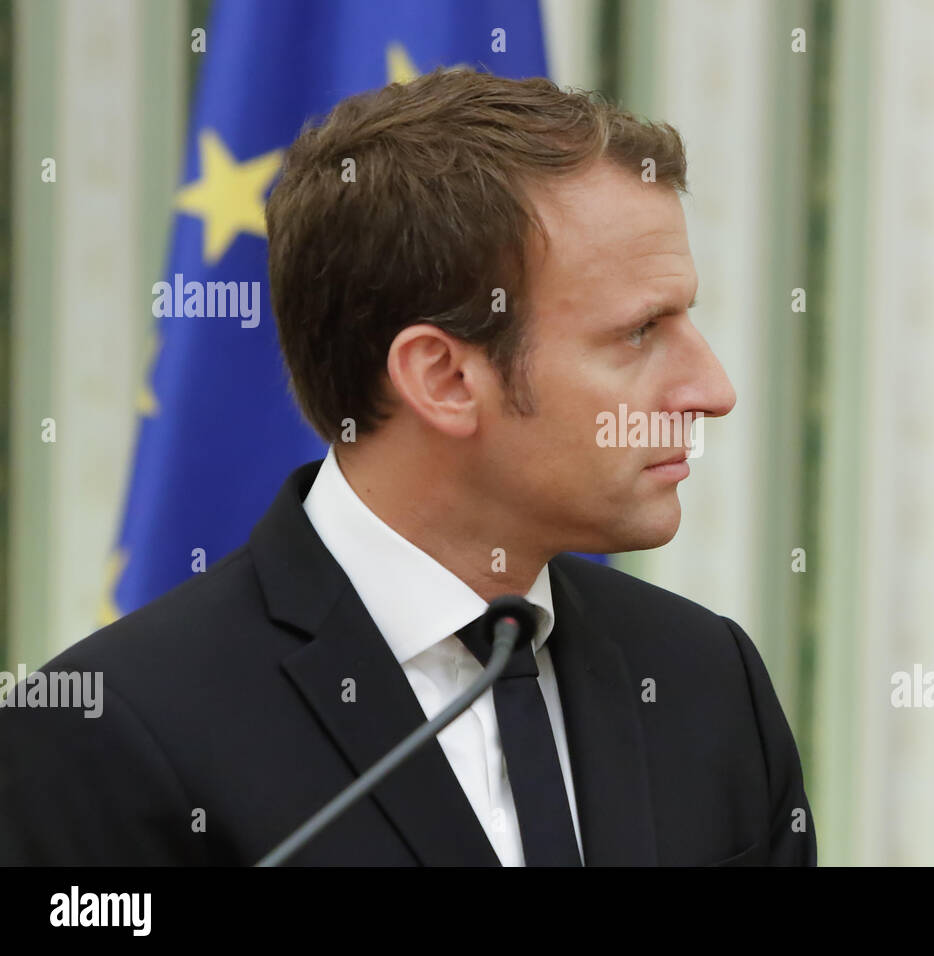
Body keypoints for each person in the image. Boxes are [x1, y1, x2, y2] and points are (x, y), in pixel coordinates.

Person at [0, 68, 816, 866]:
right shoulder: (107, 731)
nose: (712, 391)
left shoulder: (707, 680)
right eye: (640, 332)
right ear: (444, 378)